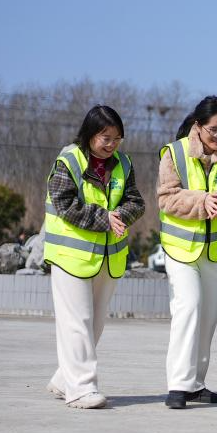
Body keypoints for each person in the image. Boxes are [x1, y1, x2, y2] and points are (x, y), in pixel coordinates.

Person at [44, 105, 145, 409]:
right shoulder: (69, 160)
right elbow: (64, 204)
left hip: (107, 257)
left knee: (95, 324)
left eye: (117, 138)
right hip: (70, 256)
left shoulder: (123, 164)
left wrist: (121, 216)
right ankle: (82, 390)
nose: (111, 144)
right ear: (90, 134)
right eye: (105, 137)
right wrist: (105, 218)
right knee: (78, 322)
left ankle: (65, 380)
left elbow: (136, 201)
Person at [158, 96, 217, 410]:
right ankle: (178, 385)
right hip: (181, 248)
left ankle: (196, 383)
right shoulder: (175, 153)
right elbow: (167, 197)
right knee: (189, 306)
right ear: (198, 126)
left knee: (209, 316)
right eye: (214, 129)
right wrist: (202, 202)